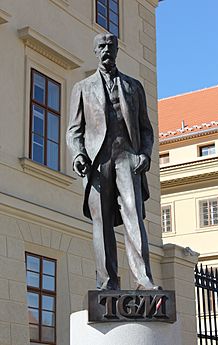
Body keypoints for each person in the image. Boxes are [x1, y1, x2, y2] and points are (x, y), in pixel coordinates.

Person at [67, 33, 158, 290]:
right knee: (102, 222)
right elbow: (74, 131)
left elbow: (146, 129)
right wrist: (78, 155)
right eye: (101, 46)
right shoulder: (82, 88)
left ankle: (144, 280)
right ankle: (108, 282)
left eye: (110, 46)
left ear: (116, 50)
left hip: (128, 157)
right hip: (98, 161)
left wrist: (145, 154)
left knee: (134, 218)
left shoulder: (134, 86)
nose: (106, 50)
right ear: (95, 51)